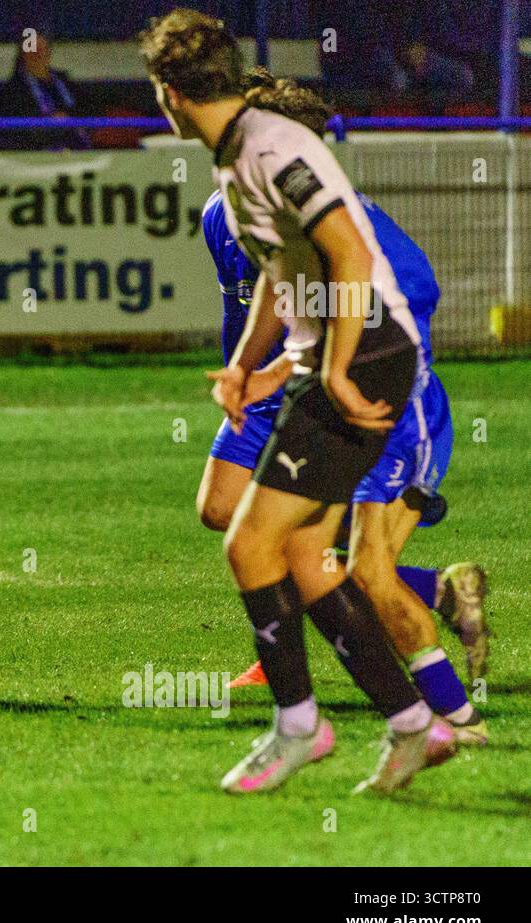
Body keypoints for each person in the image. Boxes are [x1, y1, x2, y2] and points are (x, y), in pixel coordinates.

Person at [141, 8, 457, 794]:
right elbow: (284, 277)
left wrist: (340, 370)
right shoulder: (235, 154)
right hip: (337, 360)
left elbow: (349, 252)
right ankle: (417, 725)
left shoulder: (270, 148)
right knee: (305, 558)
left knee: (251, 544)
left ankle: (301, 726)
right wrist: (247, 367)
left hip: (373, 356)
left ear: (172, 93)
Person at [195, 69, 491, 748]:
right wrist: (245, 371)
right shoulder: (225, 210)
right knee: (225, 511)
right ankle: (440, 597)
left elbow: (409, 302)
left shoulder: (342, 217)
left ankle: (440, 719)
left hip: (372, 396)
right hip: (288, 386)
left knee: (337, 561)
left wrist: (330, 363)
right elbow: (259, 295)